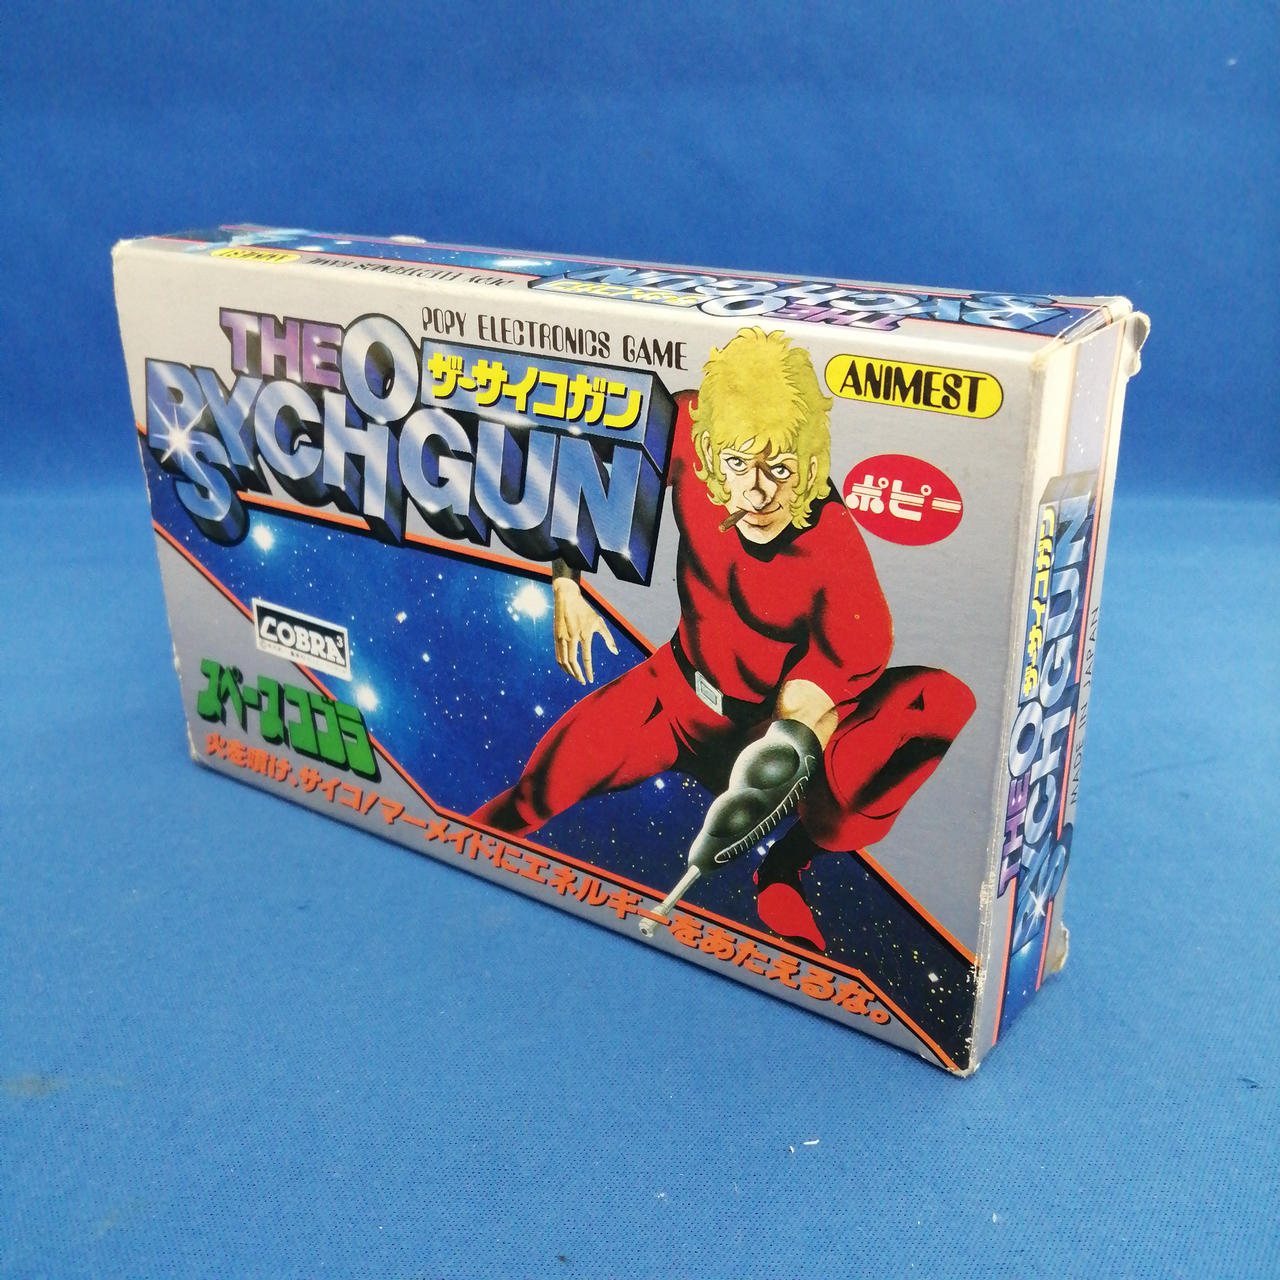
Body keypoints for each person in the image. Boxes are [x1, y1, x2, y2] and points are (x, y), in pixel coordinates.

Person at [473, 327, 974, 951]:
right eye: (738, 465)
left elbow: (801, 716)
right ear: (710, 451)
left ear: (811, 464)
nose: (758, 493)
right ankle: (456, 848)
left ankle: (786, 864)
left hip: (762, 731)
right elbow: (582, 470)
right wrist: (566, 583)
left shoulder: (845, 576)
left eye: (779, 469)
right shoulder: (686, 424)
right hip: (672, 693)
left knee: (936, 702)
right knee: (535, 792)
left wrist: (765, 782)